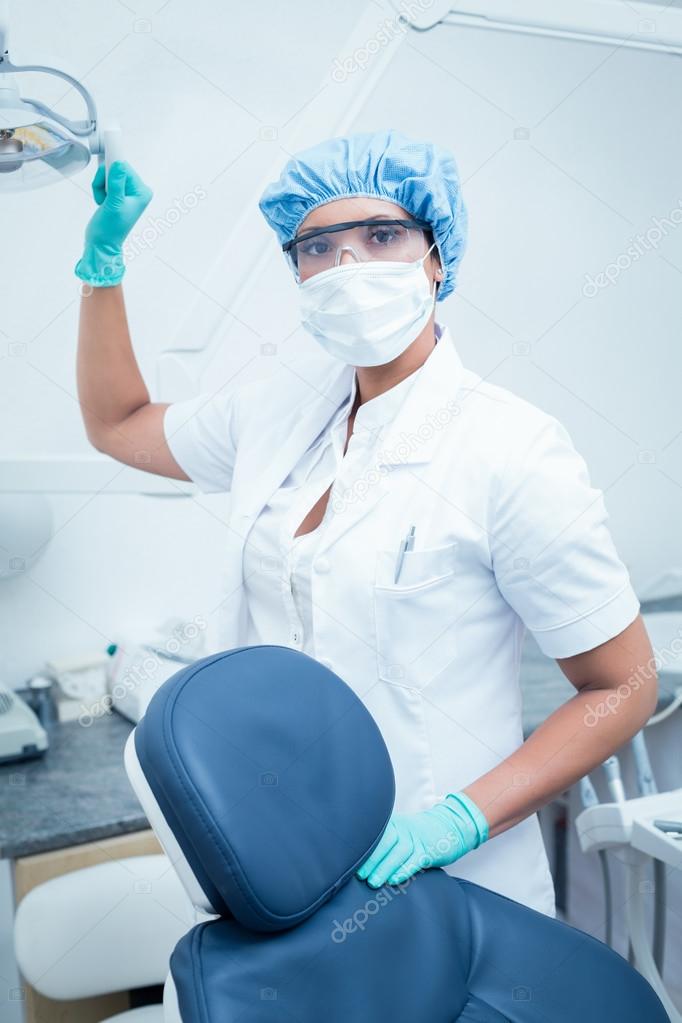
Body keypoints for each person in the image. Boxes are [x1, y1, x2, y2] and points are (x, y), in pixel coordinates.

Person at [75, 128, 656, 918]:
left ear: (436, 257)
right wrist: (103, 268)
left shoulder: (510, 447)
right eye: (318, 245)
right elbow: (119, 424)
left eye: (381, 236)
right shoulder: (276, 411)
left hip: (451, 879)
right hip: (281, 862)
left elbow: (623, 683)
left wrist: (460, 818)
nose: (348, 267)